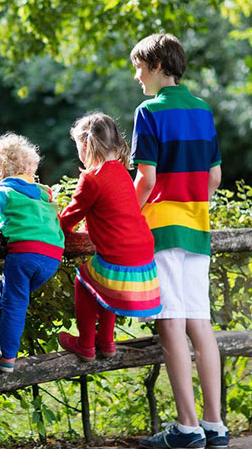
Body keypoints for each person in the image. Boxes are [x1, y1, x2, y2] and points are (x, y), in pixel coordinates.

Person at [130, 33, 228, 449]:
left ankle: (187, 429)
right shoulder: (203, 110)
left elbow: (146, 178)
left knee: (170, 320)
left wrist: (128, 215)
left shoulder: (148, 111)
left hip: (162, 230)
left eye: (138, 67)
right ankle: (215, 425)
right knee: (199, 322)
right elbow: (215, 177)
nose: (136, 76)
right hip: (197, 227)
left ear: (155, 66)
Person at [58, 112, 162, 362]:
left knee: (84, 280)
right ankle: (106, 341)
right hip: (144, 253)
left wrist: (56, 231)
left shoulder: (91, 179)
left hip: (120, 256)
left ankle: (85, 343)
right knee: (104, 283)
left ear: (85, 147)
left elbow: (69, 216)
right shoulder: (123, 174)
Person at [0, 133, 64, 373]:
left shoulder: (3, 190)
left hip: (24, 254)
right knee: (9, 296)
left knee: (13, 304)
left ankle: (7, 358)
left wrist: (0, 226)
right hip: (52, 257)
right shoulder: (44, 193)